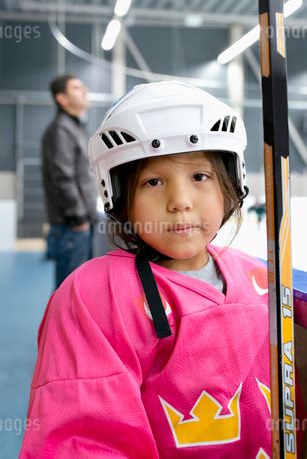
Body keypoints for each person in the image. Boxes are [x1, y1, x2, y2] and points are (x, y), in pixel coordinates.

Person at [20, 82, 306, 458]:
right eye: (154, 181)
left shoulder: (263, 279)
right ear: (118, 194)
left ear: (231, 184)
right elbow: (83, 438)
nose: (180, 202)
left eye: (199, 177)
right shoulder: (92, 298)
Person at [42, 74, 97, 288]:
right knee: (70, 292)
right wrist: (78, 219)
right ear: (62, 99)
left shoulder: (74, 128)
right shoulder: (61, 130)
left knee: (79, 289)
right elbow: (62, 177)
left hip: (80, 225)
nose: (84, 91)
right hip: (72, 227)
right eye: (76, 88)